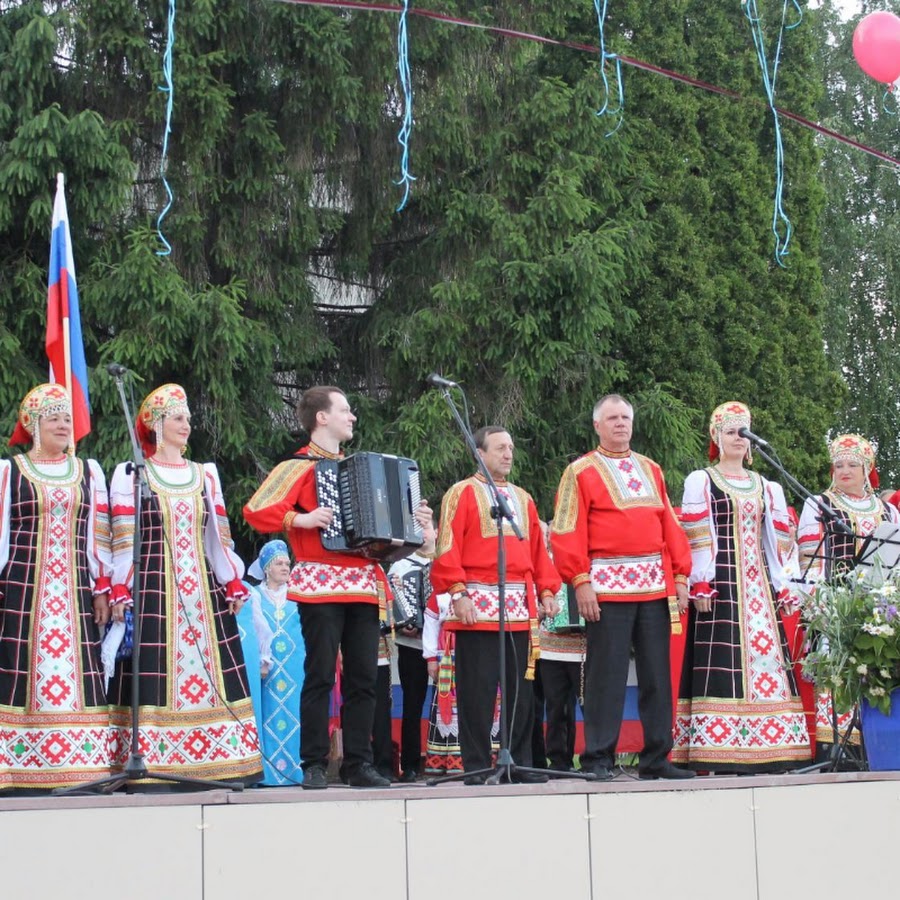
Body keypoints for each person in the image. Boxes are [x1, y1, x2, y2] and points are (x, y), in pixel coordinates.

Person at [244, 385, 432, 789]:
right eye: (345, 410)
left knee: (365, 678)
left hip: (363, 584)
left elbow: (386, 532)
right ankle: (312, 762)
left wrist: (413, 523)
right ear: (321, 417)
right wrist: (302, 520)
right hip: (319, 584)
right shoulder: (297, 467)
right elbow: (257, 510)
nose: (353, 417)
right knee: (320, 674)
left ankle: (358, 763)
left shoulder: (360, 468)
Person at [108, 384, 262, 786]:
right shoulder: (132, 475)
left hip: (201, 589)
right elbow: (124, 538)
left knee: (213, 669)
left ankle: (221, 761)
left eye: (188, 419)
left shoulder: (203, 475)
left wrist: (231, 581)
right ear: (157, 424)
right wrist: (121, 587)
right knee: (157, 670)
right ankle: (157, 764)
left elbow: (218, 537)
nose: (187, 426)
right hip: (157, 586)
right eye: (178, 418)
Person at [551, 394, 693, 781]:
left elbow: (671, 527)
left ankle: (656, 758)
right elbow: (567, 530)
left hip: (653, 586)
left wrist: (680, 575)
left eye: (625, 417)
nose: (620, 424)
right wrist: (579, 581)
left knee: (656, 676)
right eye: (612, 418)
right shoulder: (580, 471)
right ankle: (598, 757)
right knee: (605, 677)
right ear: (597, 425)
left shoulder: (651, 469)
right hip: (606, 587)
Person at [673, 401, 811, 773]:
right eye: (731, 431)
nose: (738, 438)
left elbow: (779, 540)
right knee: (722, 662)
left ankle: (773, 745)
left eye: (743, 432)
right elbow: (697, 534)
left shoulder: (767, 486)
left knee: (768, 660)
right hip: (722, 585)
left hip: (760, 586)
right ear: (716, 437)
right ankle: (720, 747)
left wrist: (784, 583)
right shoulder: (701, 480)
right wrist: (700, 579)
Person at [430, 426, 561, 785]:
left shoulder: (523, 497)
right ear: (480, 454)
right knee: (478, 690)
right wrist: (458, 593)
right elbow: (447, 546)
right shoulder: (462, 492)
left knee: (520, 692)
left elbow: (538, 551)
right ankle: (476, 764)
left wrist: (548, 590)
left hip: (517, 606)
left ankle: (517, 761)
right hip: (476, 604)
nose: (508, 454)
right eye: (500, 448)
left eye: (511, 448)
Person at [0, 384, 113, 792]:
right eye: (54, 418)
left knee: (79, 670)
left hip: (72, 587)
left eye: (67, 418)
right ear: (33, 426)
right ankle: (18, 767)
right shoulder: (10, 470)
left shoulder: (87, 471)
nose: (64, 424)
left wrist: (102, 585)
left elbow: (96, 534)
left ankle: (80, 762)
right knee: (23, 668)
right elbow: (1, 534)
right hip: (25, 585)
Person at [797, 433, 899, 759]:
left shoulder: (888, 511)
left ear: (867, 468)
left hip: (878, 605)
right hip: (835, 602)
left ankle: (875, 741)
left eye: (853, 464)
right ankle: (835, 747)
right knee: (837, 670)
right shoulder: (819, 504)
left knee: (877, 668)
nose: (845, 470)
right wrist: (817, 602)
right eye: (839, 464)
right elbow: (808, 556)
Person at [244, 539, 305, 786]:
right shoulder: (254, 595)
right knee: (267, 714)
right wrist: (262, 659)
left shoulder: (299, 593)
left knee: (297, 712)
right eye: (279, 563)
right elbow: (255, 630)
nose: (285, 567)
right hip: (267, 668)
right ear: (267, 567)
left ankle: (296, 770)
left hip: (296, 666)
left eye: (287, 563)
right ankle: (268, 772)